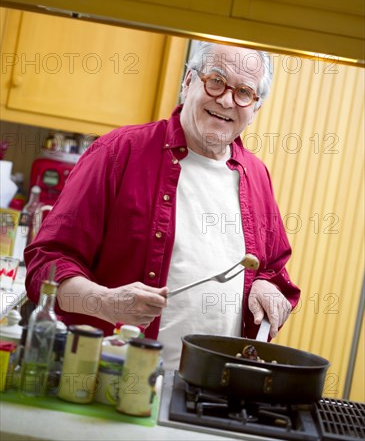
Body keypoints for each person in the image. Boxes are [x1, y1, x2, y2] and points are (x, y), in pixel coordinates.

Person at [24, 42, 301, 370]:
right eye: (215, 81)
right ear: (188, 82)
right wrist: (106, 303)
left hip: (211, 389)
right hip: (109, 376)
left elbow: (272, 268)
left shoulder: (256, 175)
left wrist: (266, 285)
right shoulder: (118, 152)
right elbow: (46, 266)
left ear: (255, 109)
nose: (227, 100)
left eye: (244, 92)